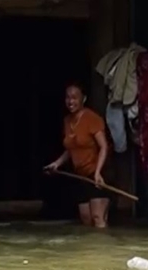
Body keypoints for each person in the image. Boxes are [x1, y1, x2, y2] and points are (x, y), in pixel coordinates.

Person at [44, 83, 111, 228]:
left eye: (75, 97)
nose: (70, 101)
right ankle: (89, 250)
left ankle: (105, 249)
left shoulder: (92, 118)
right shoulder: (67, 121)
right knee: (86, 219)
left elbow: (104, 146)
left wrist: (98, 172)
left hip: (97, 172)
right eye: (68, 97)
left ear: (84, 99)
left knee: (97, 217)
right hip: (80, 175)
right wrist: (57, 163)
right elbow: (71, 148)